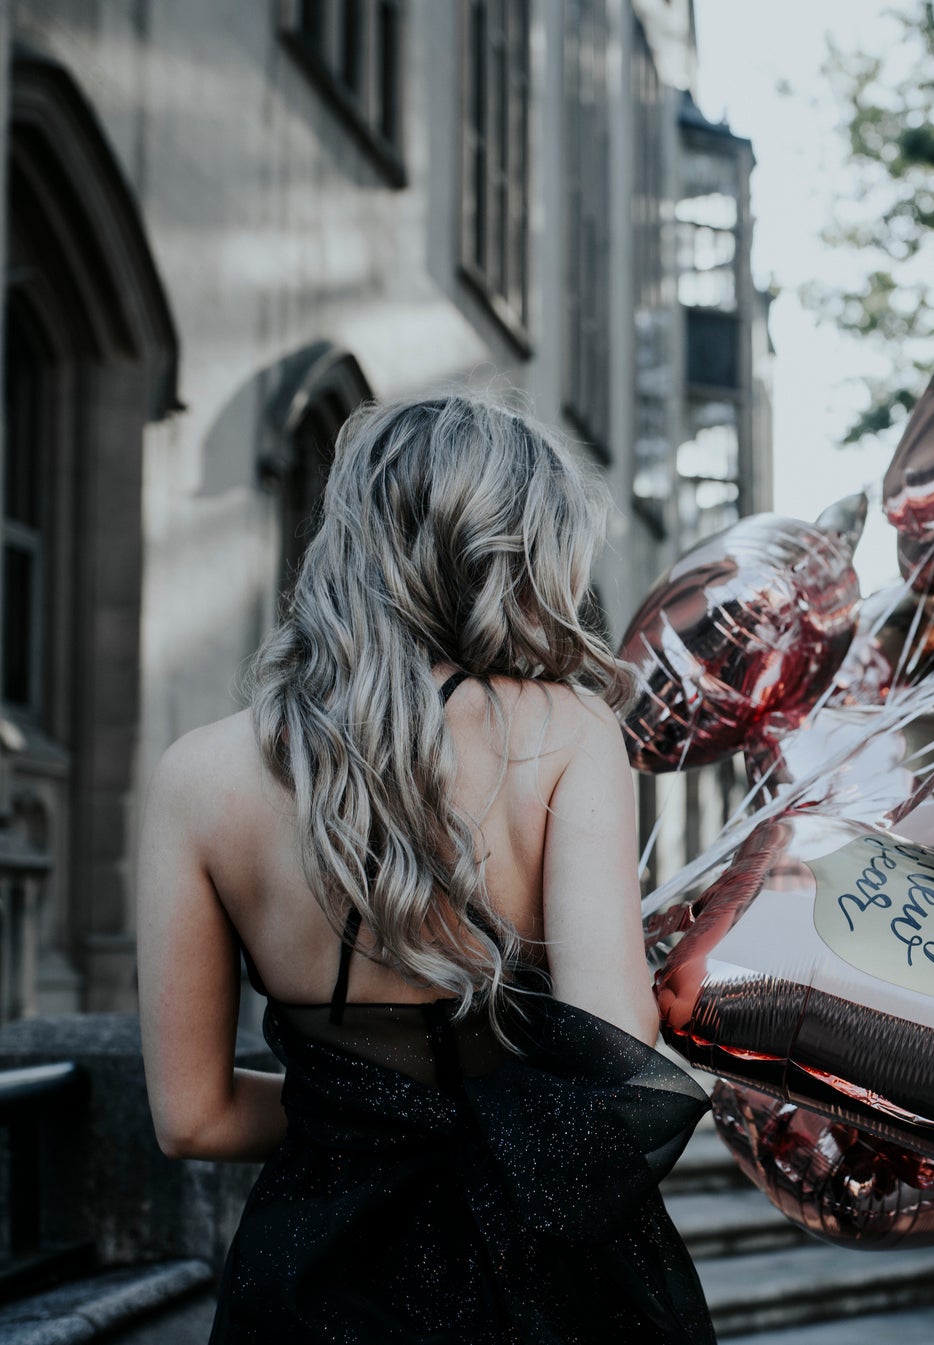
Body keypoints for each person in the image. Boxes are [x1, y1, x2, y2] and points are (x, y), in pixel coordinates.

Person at [136, 394, 716, 1342]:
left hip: (312, 1273)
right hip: (534, 1275)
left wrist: (362, 1110)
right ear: (517, 552)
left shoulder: (198, 776)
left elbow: (191, 1119)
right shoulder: (564, 731)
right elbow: (615, 1040)